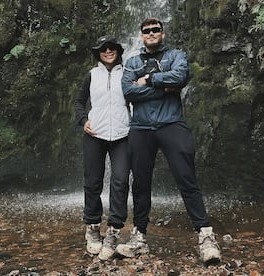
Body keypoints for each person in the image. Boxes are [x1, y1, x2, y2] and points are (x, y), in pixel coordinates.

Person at [116, 17, 221, 264]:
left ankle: (206, 236)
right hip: (140, 128)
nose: (151, 33)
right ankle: (139, 237)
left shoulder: (176, 55)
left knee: (187, 178)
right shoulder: (131, 62)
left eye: (155, 30)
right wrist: (164, 86)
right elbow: (128, 91)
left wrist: (149, 79)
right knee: (140, 184)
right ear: (141, 35)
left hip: (171, 123)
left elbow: (181, 77)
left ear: (162, 33)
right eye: (146, 31)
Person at [74, 35, 130, 261]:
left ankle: (114, 231)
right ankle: (93, 228)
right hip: (94, 135)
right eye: (103, 49)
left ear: (118, 51)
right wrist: (83, 120)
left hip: (122, 135)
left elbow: (136, 99)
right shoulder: (91, 75)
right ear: (98, 53)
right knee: (93, 181)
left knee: (120, 181)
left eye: (112, 48)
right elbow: (79, 101)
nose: (108, 51)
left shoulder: (128, 74)